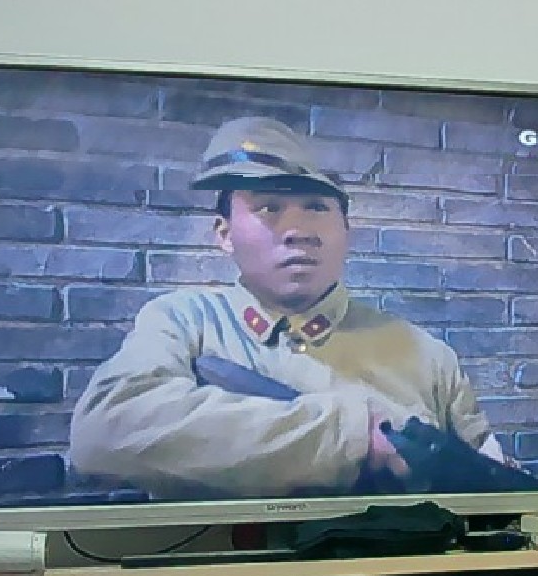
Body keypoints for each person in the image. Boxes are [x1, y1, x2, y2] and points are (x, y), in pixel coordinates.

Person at [69, 116, 505, 499]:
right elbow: (105, 431)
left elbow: (492, 489)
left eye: (316, 207)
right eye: (269, 208)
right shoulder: (185, 322)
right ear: (224, 234)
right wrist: (354, 435)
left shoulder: (427, 356)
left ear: (346, 231)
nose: (298, 230)